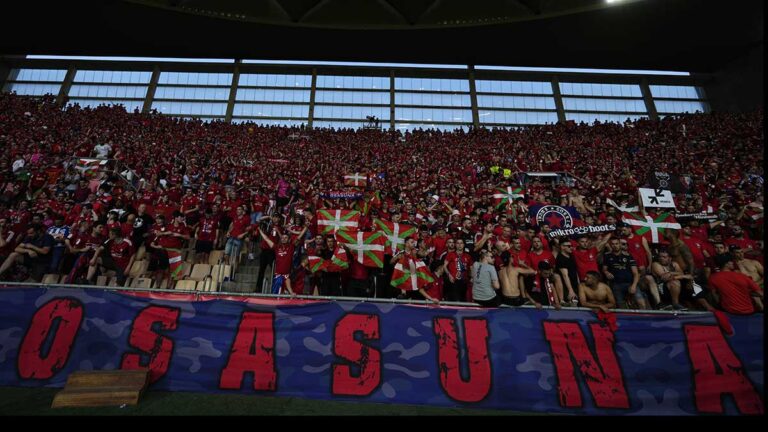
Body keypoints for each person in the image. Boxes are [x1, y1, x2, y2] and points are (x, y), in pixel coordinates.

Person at [603, 237, 645, 309]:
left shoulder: (628, 256)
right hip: (616, 284)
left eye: (617, 244)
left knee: (641, 303)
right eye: (612, 244)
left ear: (620, 244)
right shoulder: (607, 256)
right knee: (621, 307)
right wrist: (606, 273)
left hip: (630, 283)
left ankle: (645, 319)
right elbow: (604, 269)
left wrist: (634, 285)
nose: (615, 245)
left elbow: (635, 273)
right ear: (610, 245)